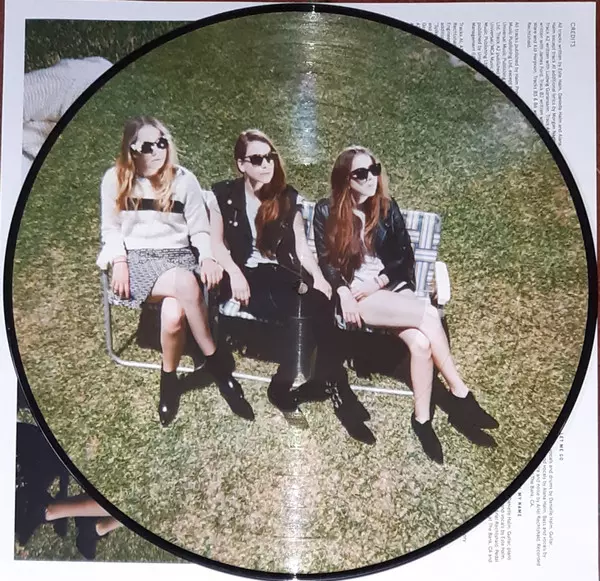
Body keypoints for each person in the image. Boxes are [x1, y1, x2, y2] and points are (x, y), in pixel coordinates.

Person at [313, 146, 498, 463]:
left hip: (389, 288)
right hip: (358, 296)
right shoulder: (326, 211)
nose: (370, 178)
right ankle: (462, 397)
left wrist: (379, 281)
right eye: (360, 173)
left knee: (422, 343)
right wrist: (343, 291)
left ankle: (422, 420)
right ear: (345, 180)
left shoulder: (386, 208)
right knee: (428, 314)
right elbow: (326, 261)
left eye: (374, 169)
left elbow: (404, 259)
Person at [210, 130, 374, 444]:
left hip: (284, 274)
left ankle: (296, 384)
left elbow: (301, 246)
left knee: (322, 302)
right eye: (257, 159)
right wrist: (235, 274)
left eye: (269, 157)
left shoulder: (286, 196)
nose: (266, 164)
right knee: (304, 312)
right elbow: (216, 244)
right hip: (248, 278)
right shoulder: (223, 195)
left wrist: (319, 278)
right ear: (241, 164)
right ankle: (335, 390)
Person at [97, 116, 254, 425]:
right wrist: (120, 261)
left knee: (172, 317)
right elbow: (110, 229)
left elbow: (199, 229)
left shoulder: (184, 180)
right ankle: (218, 365)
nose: (157, 151)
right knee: (184, 284)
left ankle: (168, 382)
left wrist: (206, 257)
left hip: (179, 255)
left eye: (162, 143)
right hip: (137, 260)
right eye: (148, 146)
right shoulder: (115, 179)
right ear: (131, 149)